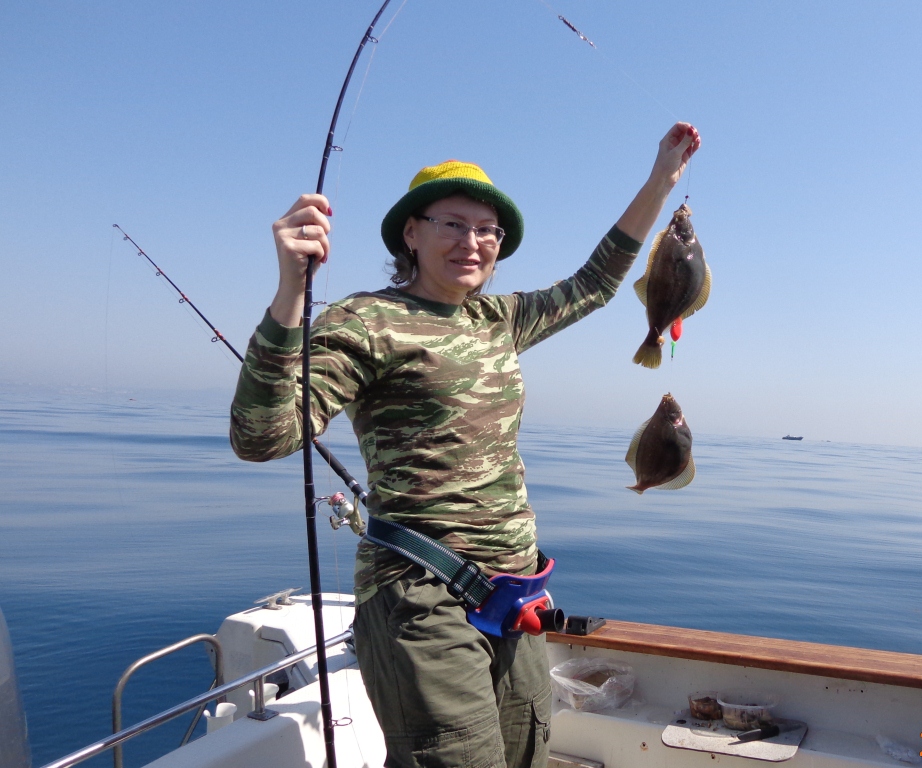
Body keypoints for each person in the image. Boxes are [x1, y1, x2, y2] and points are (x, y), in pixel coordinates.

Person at [230, 122, 701, 768]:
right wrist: (291, 293)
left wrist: (660, 181)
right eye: (452, 224)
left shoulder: (498, 319)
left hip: (516, 596)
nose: (471, 242)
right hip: (420, 598)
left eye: (488, 231)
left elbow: (596, 282)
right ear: (411, 233)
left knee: (528, 753)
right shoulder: (365, 322)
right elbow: (262, 437)